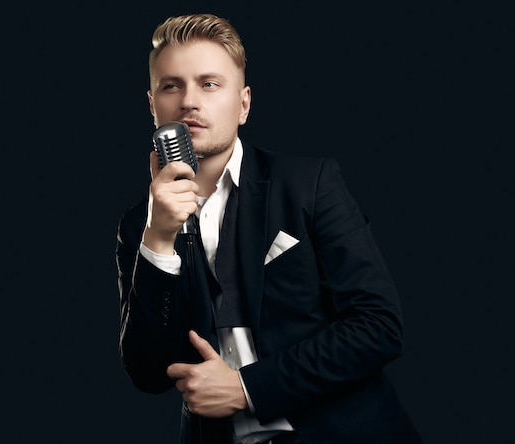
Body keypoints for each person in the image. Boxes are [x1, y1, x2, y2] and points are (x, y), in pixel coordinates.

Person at [116, 13, 423, 444]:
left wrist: (247, 388)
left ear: (243, 104)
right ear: (153, 105)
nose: (188, 101)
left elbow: (379, 326)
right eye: (172, 86)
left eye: (209, 83)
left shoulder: (308, 185)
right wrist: (159, 240)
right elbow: (147, 373)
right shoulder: (141, 226)